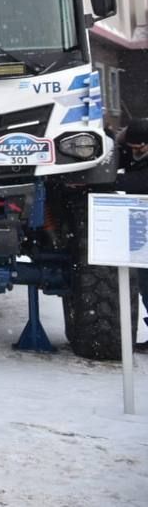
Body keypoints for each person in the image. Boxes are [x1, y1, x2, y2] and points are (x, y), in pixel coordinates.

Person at [112, 118, 148, 352]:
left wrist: (113, 181)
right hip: (142, 226)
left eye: (142, 148)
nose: (137, 152)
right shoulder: (127, 149)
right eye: (133, 148)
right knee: (145, 283)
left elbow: (141, 182)